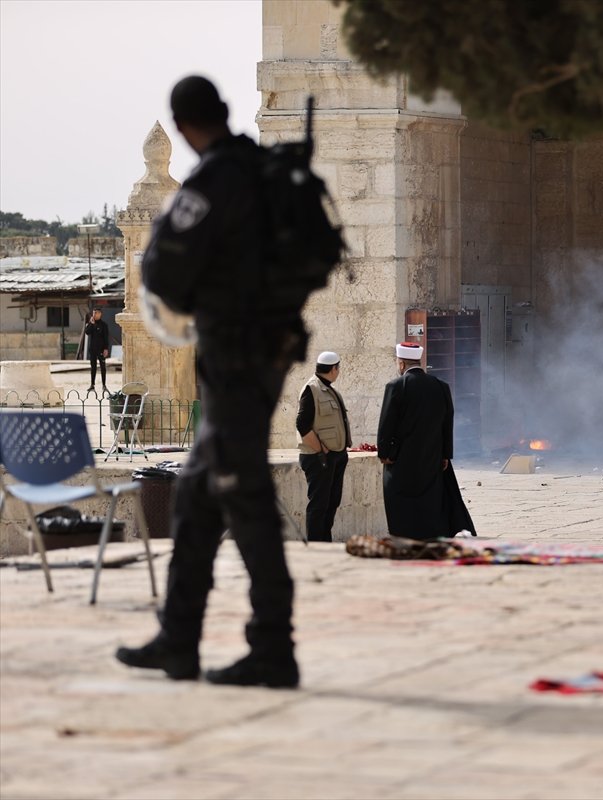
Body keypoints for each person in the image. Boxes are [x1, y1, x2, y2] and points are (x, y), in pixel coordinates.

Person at [115, 75, 304, 688]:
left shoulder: (211, 182)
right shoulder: (270, 172)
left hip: (233, 359)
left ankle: (273, 647)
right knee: (196, 496)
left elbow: (163, 272)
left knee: (243, 498)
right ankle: (178, 638)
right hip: (271, 351)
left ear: (185, 128)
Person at [376, 342, 475, 539]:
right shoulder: (441, 386)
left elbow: (387, 424)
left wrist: (384, 453)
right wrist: (446, 454)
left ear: (402, 364)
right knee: (430, 500)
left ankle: (405, 536)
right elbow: (447, 422)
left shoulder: (395, 386)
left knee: (401, 501)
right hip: (432, 457)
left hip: (401, 459)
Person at [296, 350, 350, 543]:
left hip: (334, 456)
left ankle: (325, 543)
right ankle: (317, 546)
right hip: (319, 458)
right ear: (334, 369)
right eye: (338, 368)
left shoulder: (328, 388)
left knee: (331, 503)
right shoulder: (312, 389)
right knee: (319, 505)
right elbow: (302, 425)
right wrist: (321, 450)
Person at [83, 309, 110, 395]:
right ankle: (92, 384)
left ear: (100, 314)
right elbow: (87, 332)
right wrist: (91, 324)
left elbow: (105, 337)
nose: (94, 314)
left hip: (101, 349)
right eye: (93, 313)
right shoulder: (91, 323)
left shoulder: (103, 325)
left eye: (96, 313)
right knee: (93, 367)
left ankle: (104, 385)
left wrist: (106, 348)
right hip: (93, 349)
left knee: (103, 367)